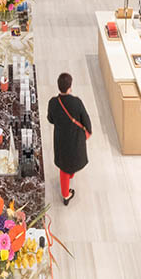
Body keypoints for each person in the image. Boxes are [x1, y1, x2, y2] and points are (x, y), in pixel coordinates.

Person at [47, 72, 91, 206]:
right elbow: (86, 122)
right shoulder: (76, 102)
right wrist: (87, 133)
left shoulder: (53, 102)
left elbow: (50, 119)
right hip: (75, 139)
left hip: (61, 139)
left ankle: (66, 192)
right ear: (70, 86)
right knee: (70, 165)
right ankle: (66, 194)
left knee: (64, 167)